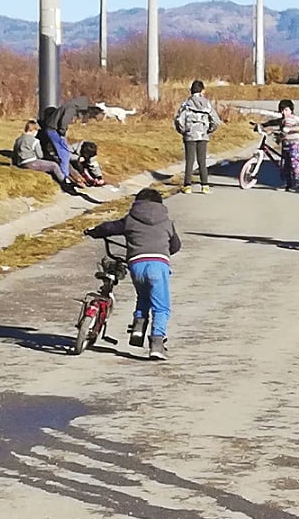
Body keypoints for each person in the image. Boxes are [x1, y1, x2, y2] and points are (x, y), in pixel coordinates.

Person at [85, 188, 181, 360]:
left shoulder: (130, 219)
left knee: (143, 296)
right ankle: (157, 343)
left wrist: (93, 231)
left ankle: (138, 328)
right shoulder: (167, 222)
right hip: (158, 264)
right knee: (161, 306)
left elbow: (109, 227)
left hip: (136, 263)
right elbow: (175, 246)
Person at [174, 80, 221, 194]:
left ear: (191, 90)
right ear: (202, 90)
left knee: (189, 161)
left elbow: (179, 120)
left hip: (189, 135)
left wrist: (183, 131)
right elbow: (216, 120)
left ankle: (187, 186)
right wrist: (209, 130)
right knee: (202, 161)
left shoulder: (186, 104)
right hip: (203, 134)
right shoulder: (207, 104)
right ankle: (205, 186)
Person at [39, 96, 89, 179]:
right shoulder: (71, 108)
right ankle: (64, 176)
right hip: (54, 130)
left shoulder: (68, 105)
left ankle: (66, 174)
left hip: (51, 128)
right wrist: (62, 133)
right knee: (64, 154)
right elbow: (64, 121)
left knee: (63, 152)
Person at [260, 99, 299, 191]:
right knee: (285, 165)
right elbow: (274, 122)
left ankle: (298, 184)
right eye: (282, 110)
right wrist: (262, 125)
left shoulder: (290, 119)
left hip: (293, 145)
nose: (284, 112)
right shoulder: (282, 120)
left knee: (293, 164)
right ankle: (287, 184)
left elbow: (285, 130)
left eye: (286, 110)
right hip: (286, 145)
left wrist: (276, 135)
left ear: (291, 110)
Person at [12, 120, 67, 186]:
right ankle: (64, 182)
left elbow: (14, 153)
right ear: (34, 130)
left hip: (20, 162)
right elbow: (40, 155)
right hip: (31, 163)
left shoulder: (18, 139)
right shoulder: (35, 141)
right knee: (54, 165)